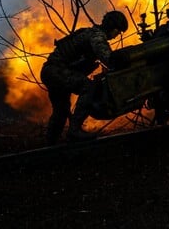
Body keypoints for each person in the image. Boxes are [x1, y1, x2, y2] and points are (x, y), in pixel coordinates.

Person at [40, 10, 129, 144]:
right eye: (118, 31)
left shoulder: (90, 33)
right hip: (57, 71)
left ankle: (50, 143)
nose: (117, 36)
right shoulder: (97, 36)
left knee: (62, 110)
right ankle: (74, 130)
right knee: (88, 87)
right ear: (112, 27)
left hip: (50, 72)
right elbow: (109, 59)